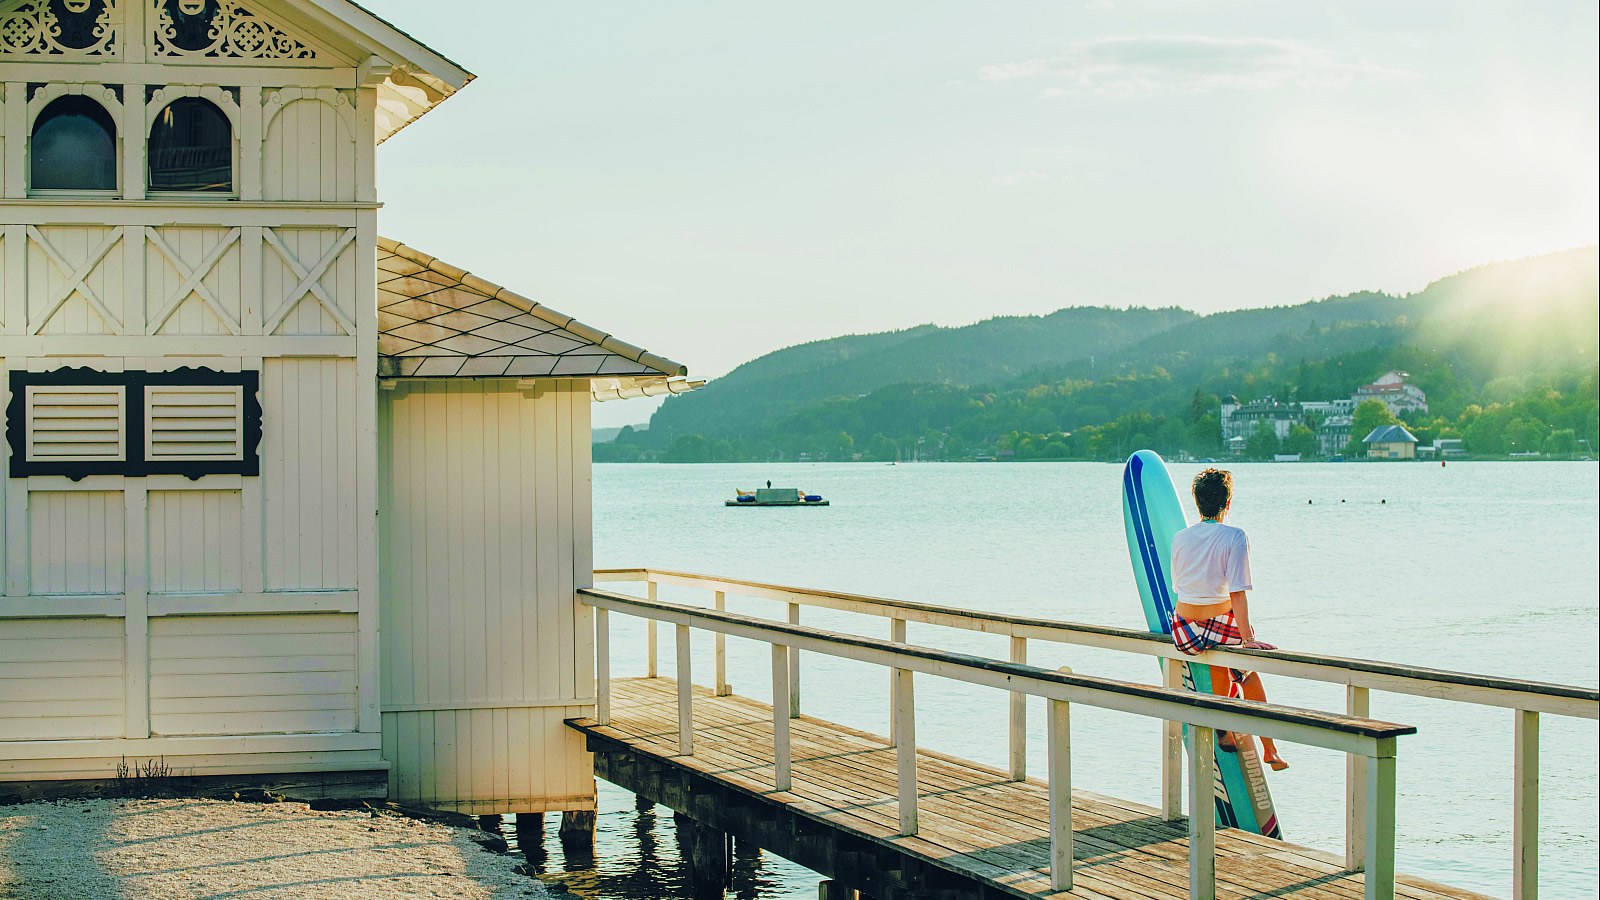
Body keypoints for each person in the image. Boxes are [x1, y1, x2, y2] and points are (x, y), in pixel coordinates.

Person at [1168, 468, 1288, 770]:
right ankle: (1270, 748)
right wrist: (1248, 639)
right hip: (1217, 625)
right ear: (1228, 502)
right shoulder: (1234, 537)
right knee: (1248, 671)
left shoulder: (1181, 537)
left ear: (1197, 502)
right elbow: (1237, 593)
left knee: (1222, 657)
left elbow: (1181, 586)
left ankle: (1224, 728)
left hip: (1183, 631)